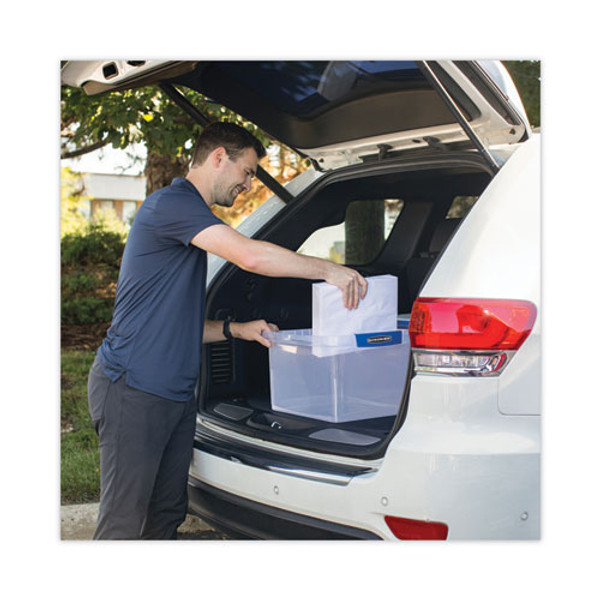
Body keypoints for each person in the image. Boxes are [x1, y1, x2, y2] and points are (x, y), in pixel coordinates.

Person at [87, 122, 368, 540]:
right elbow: (250, 257)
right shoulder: (173, 204)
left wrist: (237, 330)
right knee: (124, 525)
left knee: (164, 516)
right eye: (248, 172)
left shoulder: (192, 221)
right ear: (219, 157)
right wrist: (329, 269)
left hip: (174, 397)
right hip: (134, 390)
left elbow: (177, 325)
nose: (249, 185)